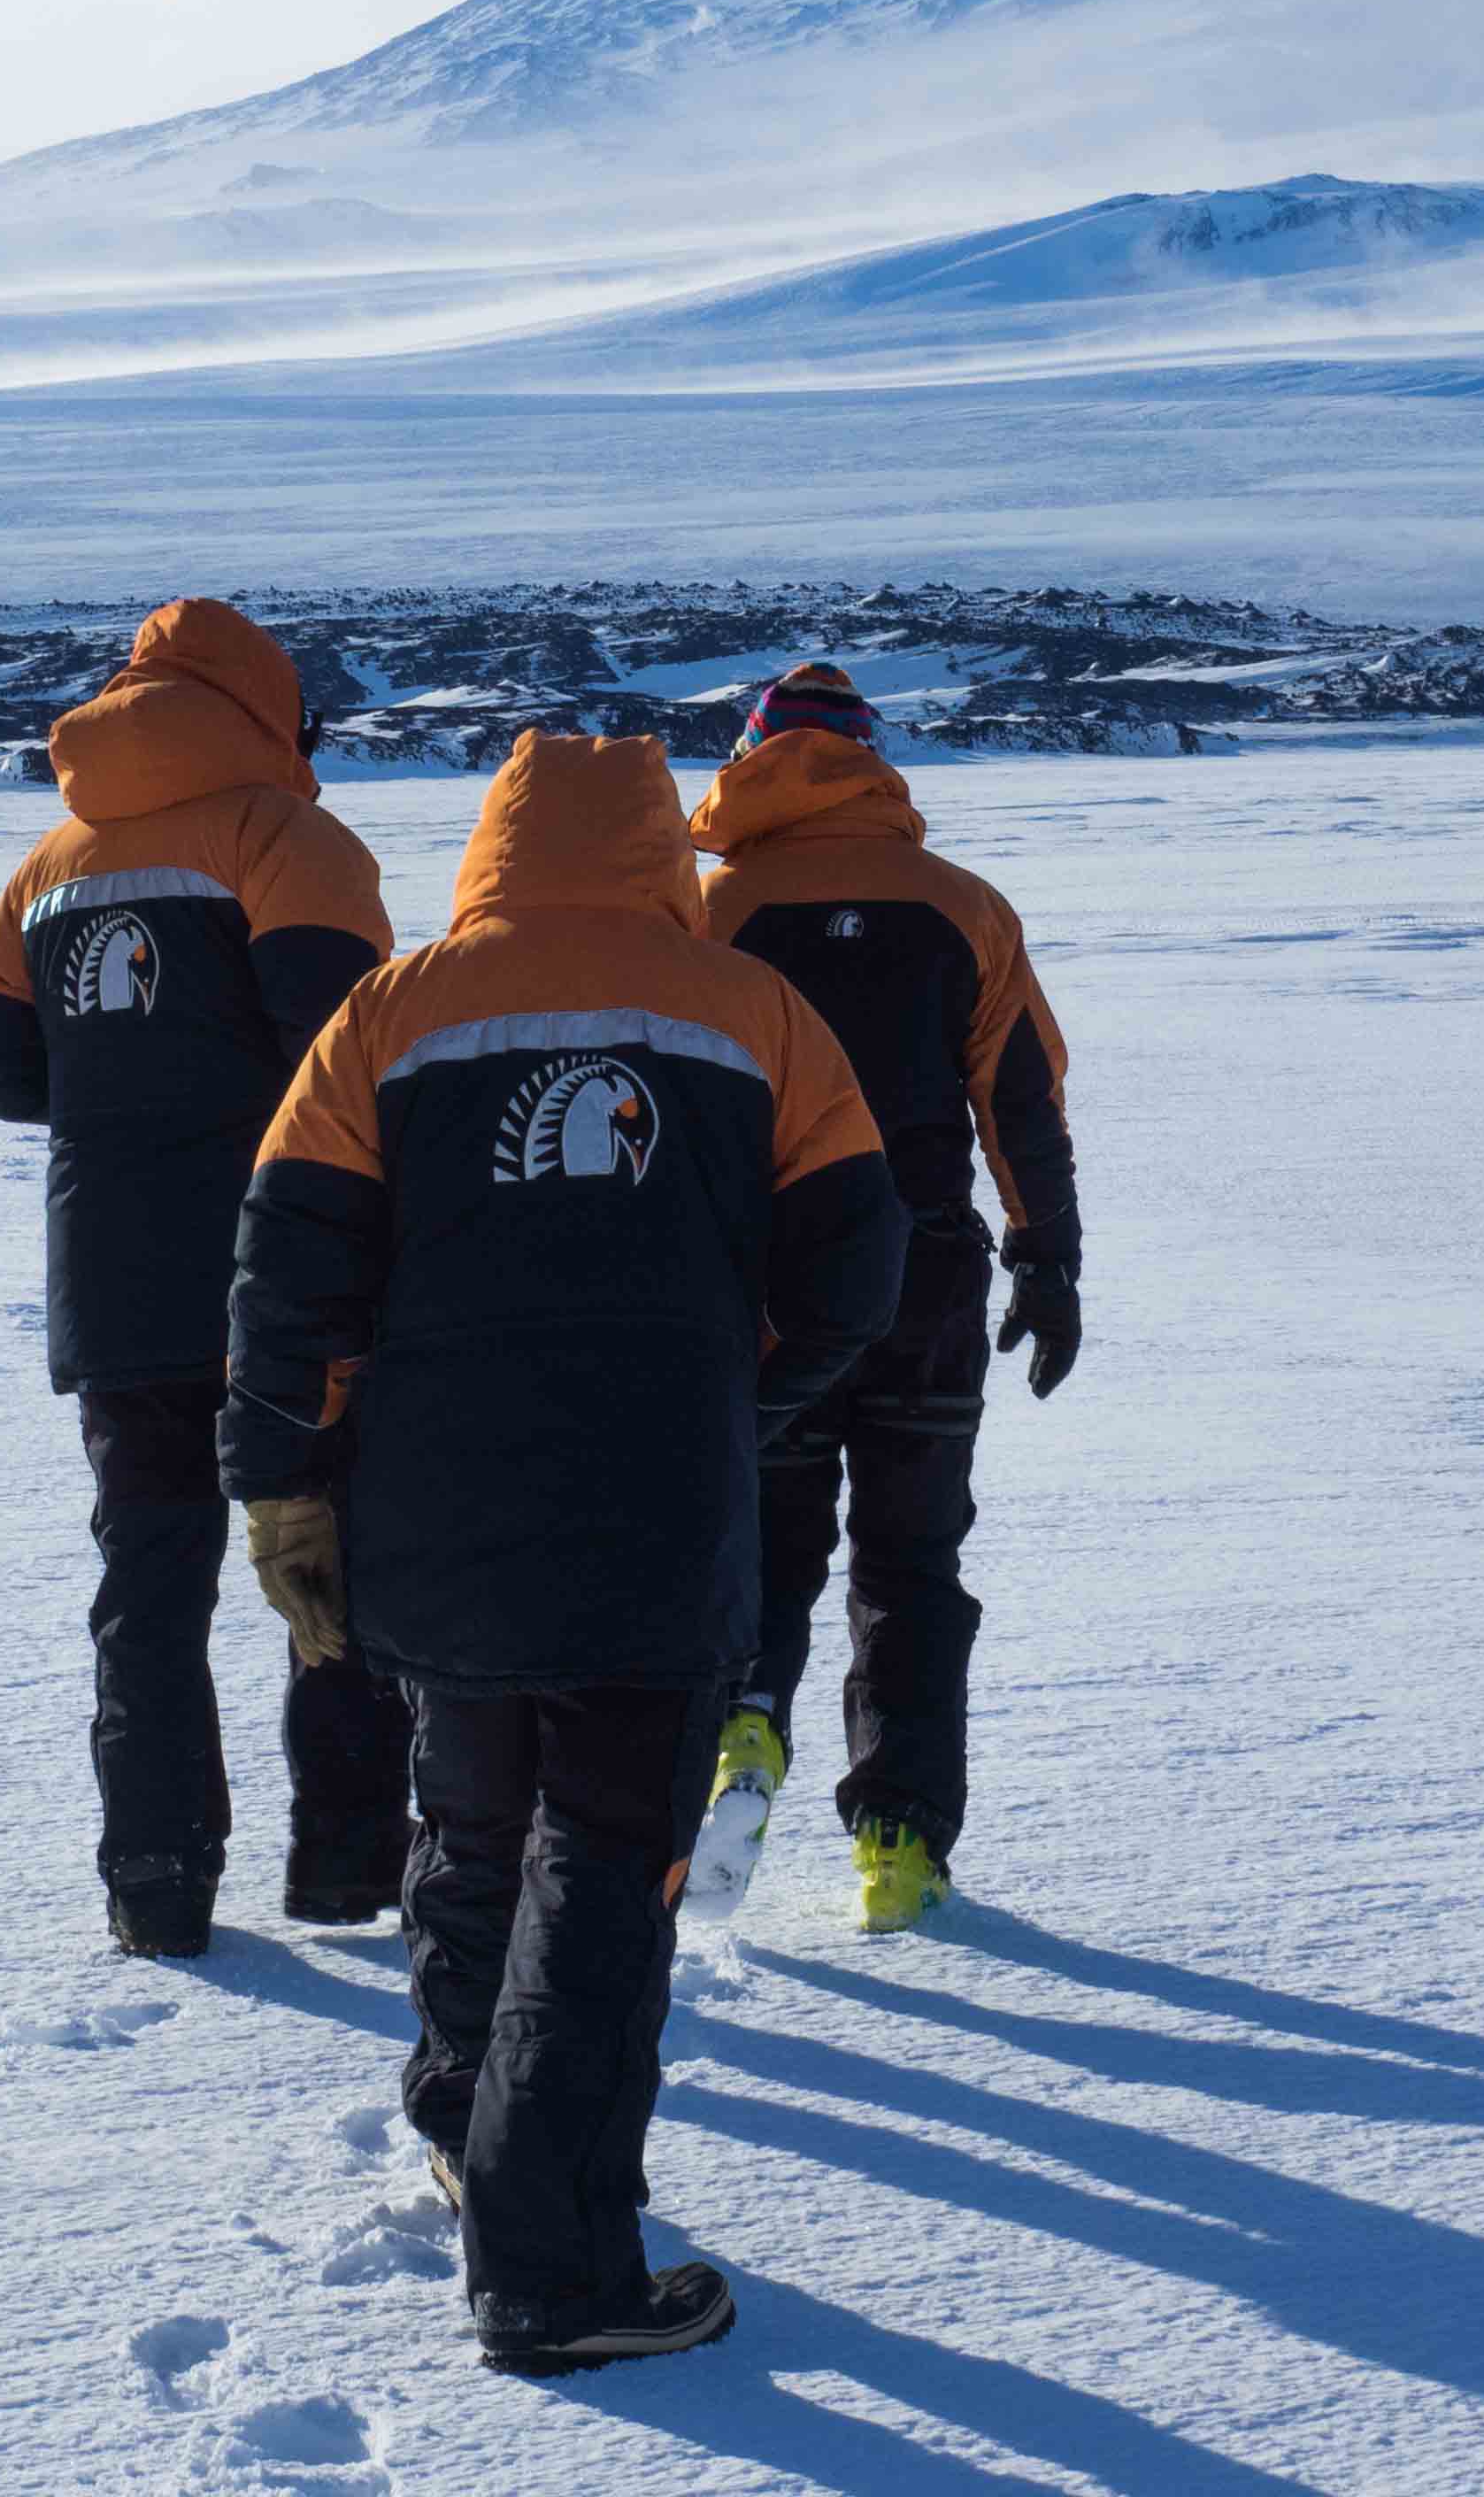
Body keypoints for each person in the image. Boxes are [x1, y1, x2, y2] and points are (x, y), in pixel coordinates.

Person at [221, 729, 904, 2373]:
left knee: (468, 1821)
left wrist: (286, 1492)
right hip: (658, 1525)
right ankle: (556, 2272)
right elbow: (857, 1266)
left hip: (434, 1521)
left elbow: (284, 1277)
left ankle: (471, 2127)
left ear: (495, 845)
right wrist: (735, 1409)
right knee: (606, 1870)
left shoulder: (386, 1010)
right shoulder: (761, 1014)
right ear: (664, 847)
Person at [0, 597, 410, 1959]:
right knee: (328, 1572)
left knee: (148, 1586)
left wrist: (130, 1099)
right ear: (270, 708)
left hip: (113, 1283)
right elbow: (348, 1050)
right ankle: (346, 1872)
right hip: (289, 1273)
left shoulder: (47, 863)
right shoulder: (288, 839)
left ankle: (155, 1887)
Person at [679, 661, 1082, 1935]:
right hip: (925, 1273)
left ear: (752, 755)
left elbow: (671, 1099)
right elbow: (1021, 1102)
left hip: (768, 1281)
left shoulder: (714, 907)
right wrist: (1047, 1257)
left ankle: (744, 1734)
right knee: (911, 1560)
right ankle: (901, 1843)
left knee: (762, 1542)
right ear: (871, 756)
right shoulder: (960, 905)